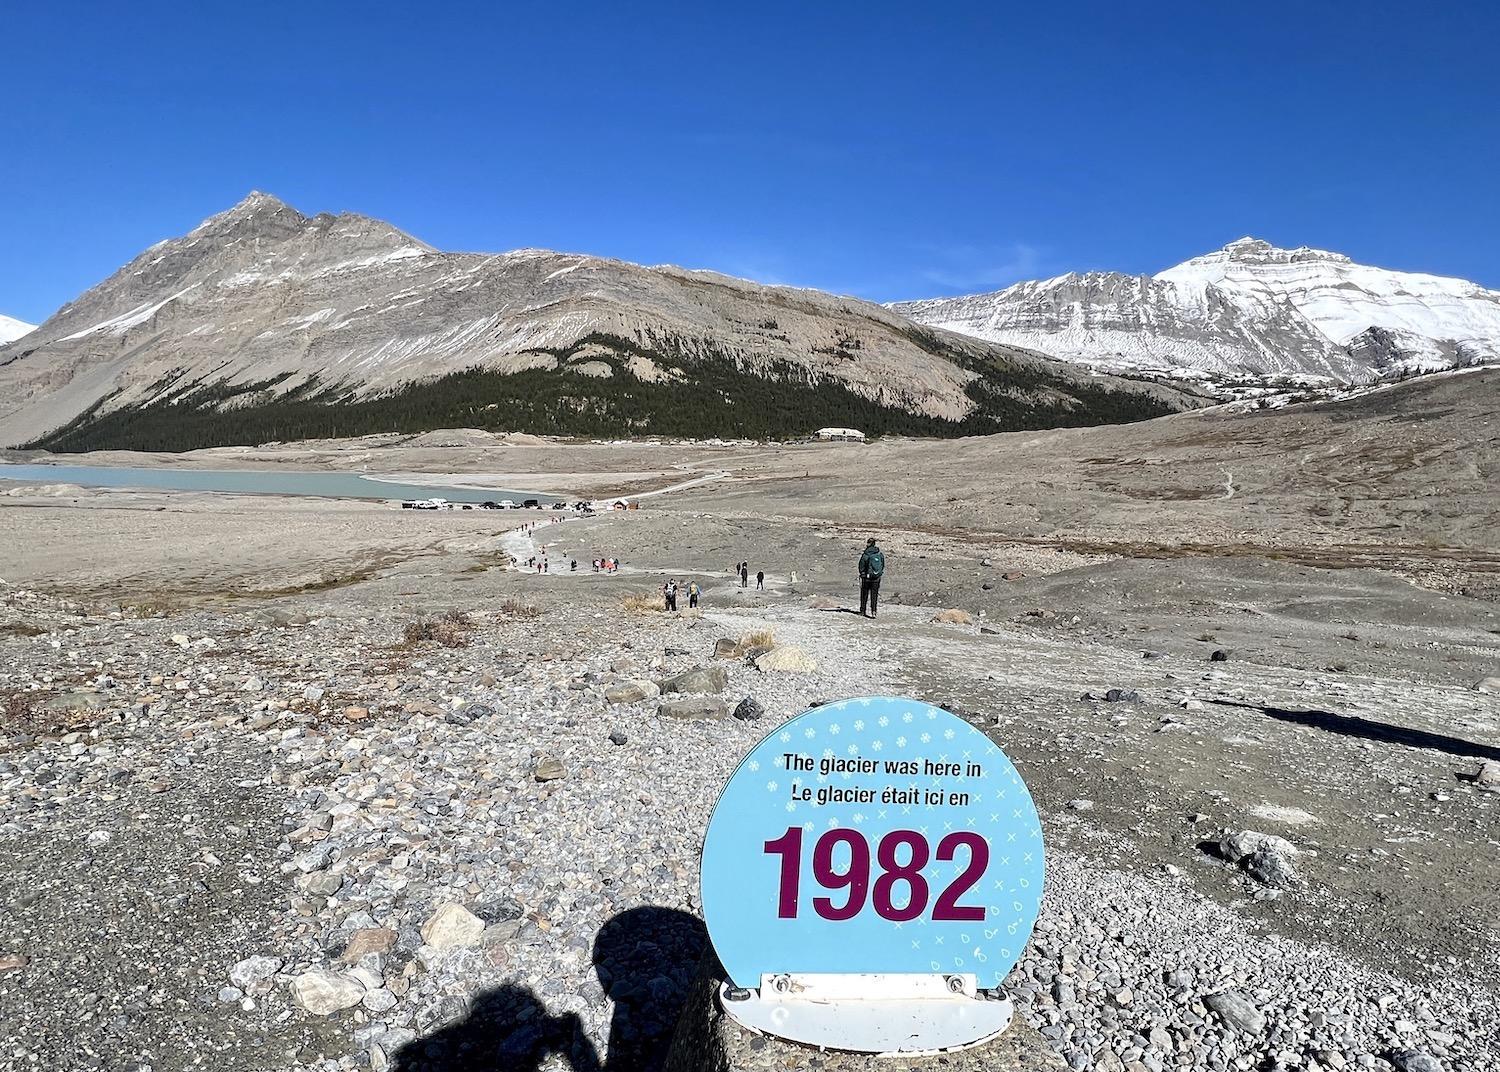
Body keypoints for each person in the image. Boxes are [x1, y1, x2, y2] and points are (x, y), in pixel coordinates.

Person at [858, 537, 885, 619]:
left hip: (866, 578)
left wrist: (862, 574)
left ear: (868, 544)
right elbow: (882, 565)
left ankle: (863, 611)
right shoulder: (879, 554)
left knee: (864, 594)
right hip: (876, 577)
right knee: (874, 595)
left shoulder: (866, 554)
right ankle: (874, 611)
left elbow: (861, 565)